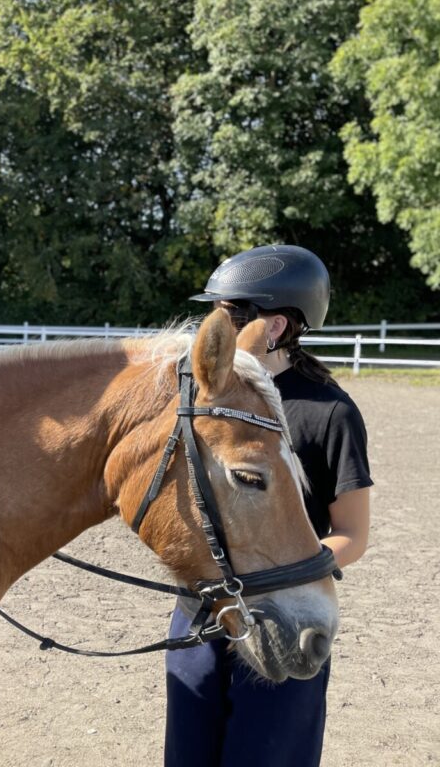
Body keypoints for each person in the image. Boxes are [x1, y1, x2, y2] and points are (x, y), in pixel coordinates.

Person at [164, 244, 373, 766]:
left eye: (231, 315)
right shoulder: (201, 397)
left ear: (275, 326)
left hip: (281, 618)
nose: (212, 325)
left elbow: (353, 534)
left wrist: (272, 580)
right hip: (199, 615)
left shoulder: (330, 413)